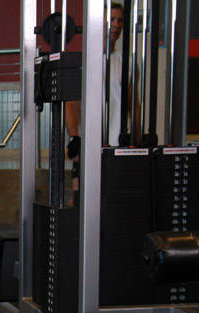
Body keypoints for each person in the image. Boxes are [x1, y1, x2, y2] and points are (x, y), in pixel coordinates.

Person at [65, 2, 126, 192]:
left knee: (112, 199)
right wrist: (74, 136)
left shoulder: (126, 63)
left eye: (120, 20)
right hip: (89, 149)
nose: (116, 24)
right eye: (112, 20)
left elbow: (134, 106)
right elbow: (71, 103)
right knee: (80, 199)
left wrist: (134, 139)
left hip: (117, 146)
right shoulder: (85, 62)